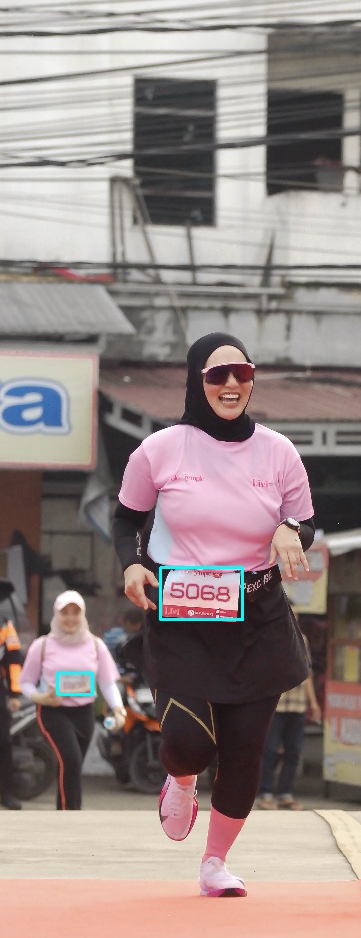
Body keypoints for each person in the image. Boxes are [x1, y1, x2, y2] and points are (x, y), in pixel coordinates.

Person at [112, 332, 315, 898]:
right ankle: (180, 779)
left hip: (258, 612)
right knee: (190, 743)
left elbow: (303, 520)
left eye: (241, 374)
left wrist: (290, 530)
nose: (230, 384)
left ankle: (215, 862)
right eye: (216, 374)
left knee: (246, 750)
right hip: (182, 611)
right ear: (196, 380)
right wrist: (132, 564)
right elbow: (126, 518)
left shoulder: (278, 451)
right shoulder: (160, 449)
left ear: (251, 380)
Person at [19, 591, 126, 810]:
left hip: (84, 713)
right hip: (53, 712)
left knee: (70, 767)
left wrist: (118, 709)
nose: (70, 618)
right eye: (64, 613)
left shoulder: (96, 645)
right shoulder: (42, 645)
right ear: (56, 615)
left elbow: (107, 683)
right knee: (71, 760)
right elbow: (26, 682)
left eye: (75, 612)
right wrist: (40, 697)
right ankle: (72, 814)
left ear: (82, 614)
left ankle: (63, 813)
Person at [257, 623, 321, 811]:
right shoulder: (268, 638)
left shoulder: (302, 639)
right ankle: (266, 793)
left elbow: (307, 674)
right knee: (269, 750)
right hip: (275, 705)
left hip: (297, 705)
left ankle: (286, 793)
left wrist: (313, 703)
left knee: (293, 751)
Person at [0, 587, 23, 810]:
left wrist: (15, 693)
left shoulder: (6, 626)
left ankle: (7, 792)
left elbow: (14, 661)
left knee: (4, 742)